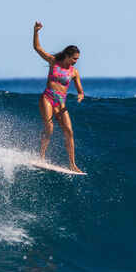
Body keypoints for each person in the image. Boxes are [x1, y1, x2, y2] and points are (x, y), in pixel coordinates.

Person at [33, 21, 84, 173]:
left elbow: (80, 90)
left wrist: (80, 95)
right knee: (49, 126)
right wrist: (36, 31)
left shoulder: (74, 72)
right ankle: (41, 157)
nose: (76, 61)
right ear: (68, 56)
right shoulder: (53, 61)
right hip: (47, 98)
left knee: (69, 131)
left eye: (77, 59)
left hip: (61, 103)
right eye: (74, 58)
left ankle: (72, 164)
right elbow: (37, 48)